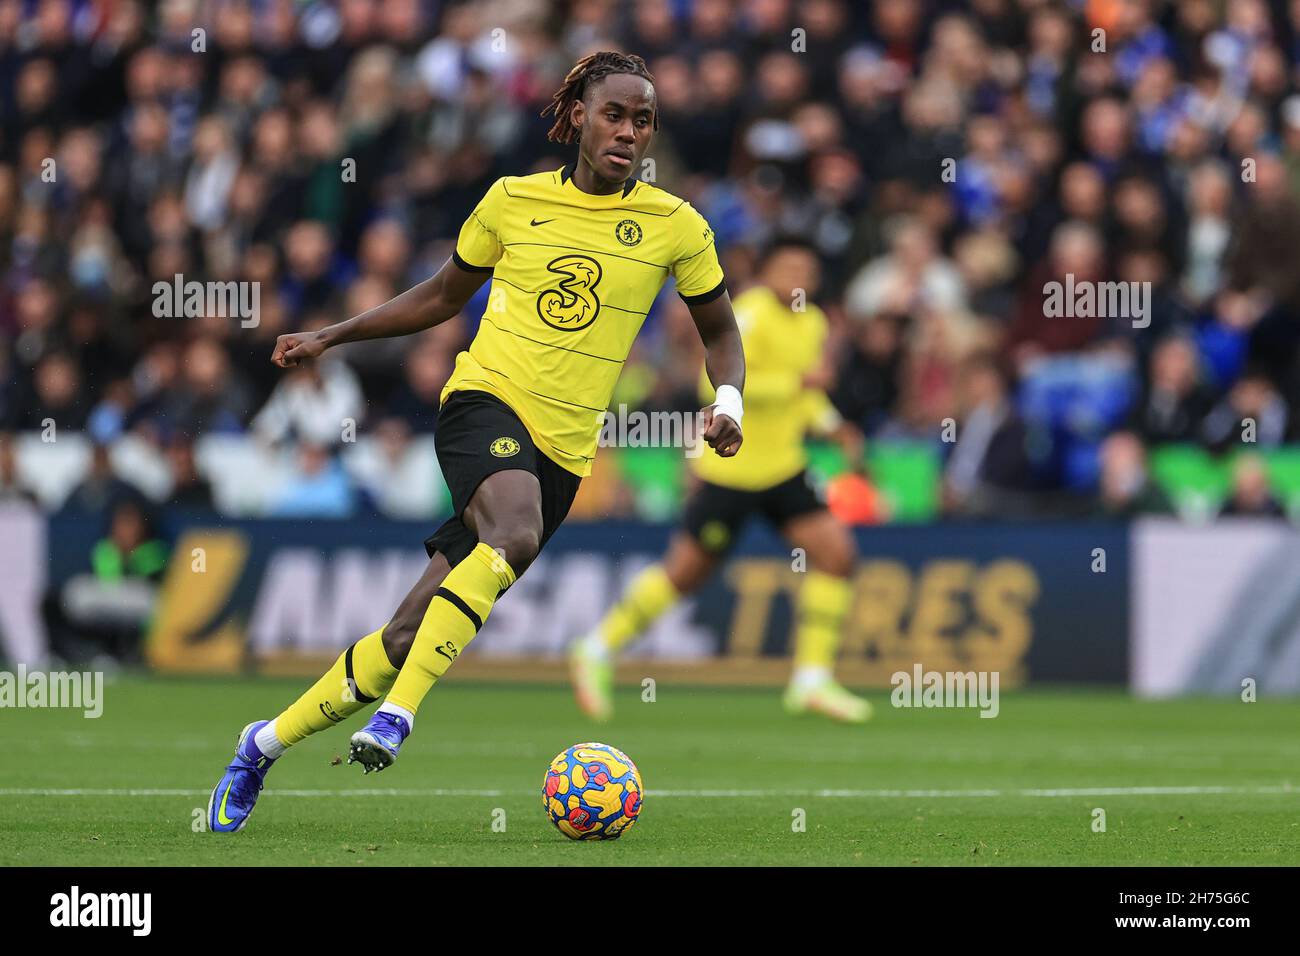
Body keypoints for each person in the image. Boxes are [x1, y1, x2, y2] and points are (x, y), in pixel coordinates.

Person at [207, 52, 746, 833]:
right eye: (614, 115)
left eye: (642, 120)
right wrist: (333, 334)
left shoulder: (676, 226)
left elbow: (721, 331)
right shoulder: (511, 201)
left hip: (563, 451)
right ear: (577, 119)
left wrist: (726, 400)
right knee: (514, 532)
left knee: (403, 633)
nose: (628, 131)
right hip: (483, 403)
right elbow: (439, 296)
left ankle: (260, 743)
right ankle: (397, 717)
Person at [570, 238, 872, 723]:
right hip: (729, 469)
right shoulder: (748, 315)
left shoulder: (812, 322)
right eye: (788, 265)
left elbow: (806, 399)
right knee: (685, 575)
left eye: (806, 268)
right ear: (766, 271)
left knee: (837, 555)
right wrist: (797, 385)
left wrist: (832, 424)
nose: (798, 276)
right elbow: (712, 386)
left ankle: (811, 680)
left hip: (784, 467)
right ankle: (596, 648)